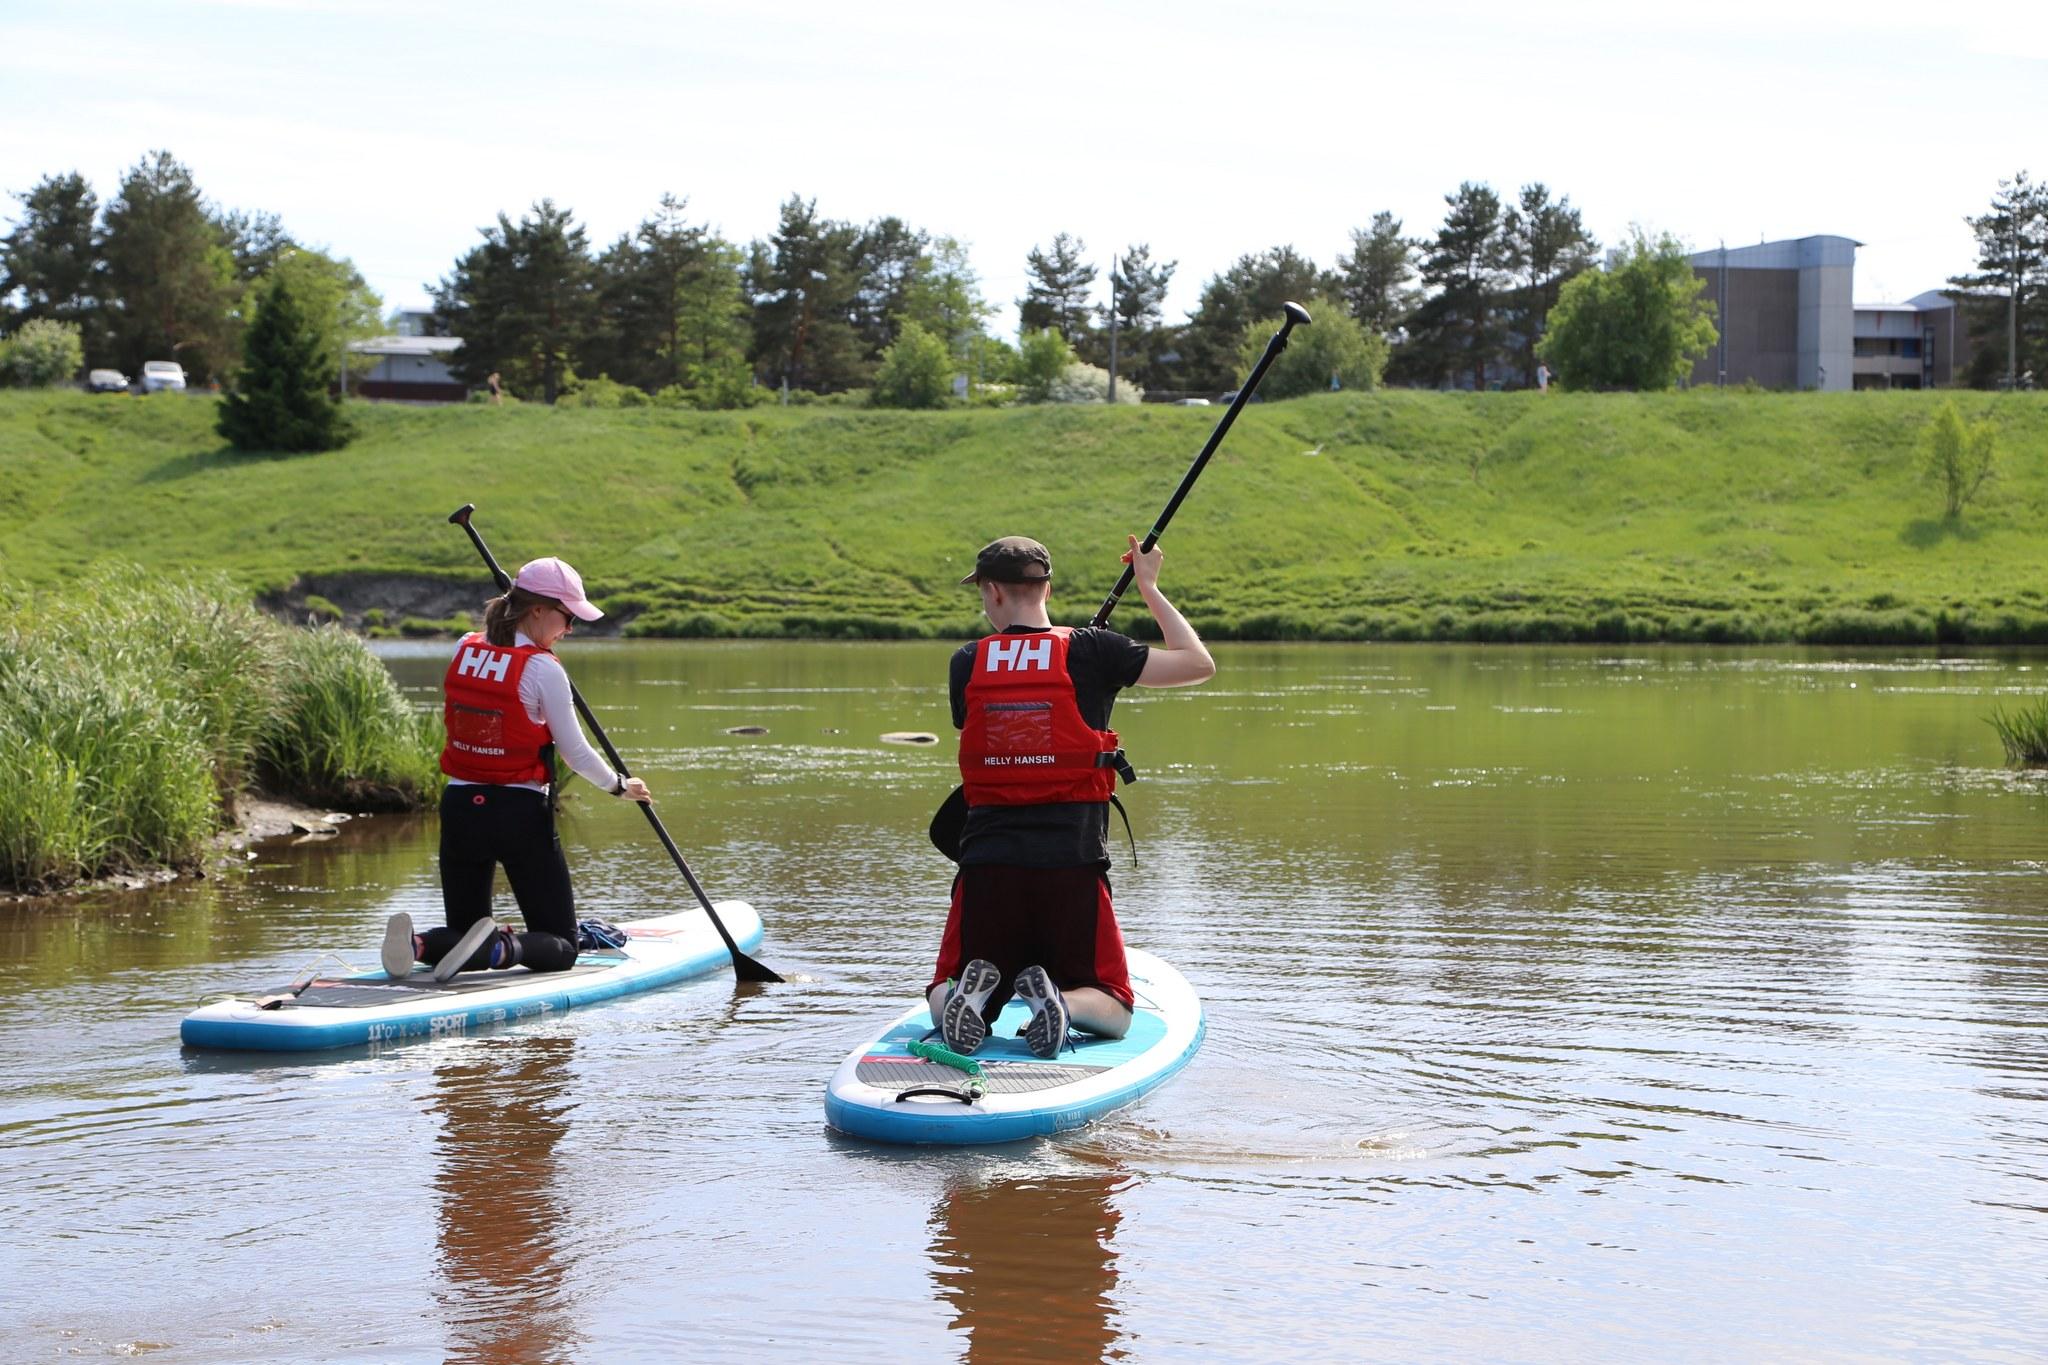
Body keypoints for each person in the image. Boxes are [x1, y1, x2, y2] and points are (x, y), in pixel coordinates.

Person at [926, 535, 1215, 1058]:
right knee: (1116, 1008)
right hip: (1073, 866)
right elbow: (1198, 664)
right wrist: (1148, 586)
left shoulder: (966, 661)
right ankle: (1062, 1000)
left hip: (988, 866)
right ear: (1047, 588)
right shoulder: (1093, 650)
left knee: (940, 992)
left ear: (991, 592)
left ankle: (976, 993)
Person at [381, 557, 650, 983]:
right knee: (562, 946)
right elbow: (574, 752)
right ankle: (504, 948)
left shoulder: (464, 646)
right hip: (518, 814)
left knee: (466, 935)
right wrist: (620, 786)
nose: (570, 629)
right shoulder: (543, 668)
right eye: (567, 616)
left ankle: (421, 945)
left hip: (459, 808)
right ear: (538, 610)